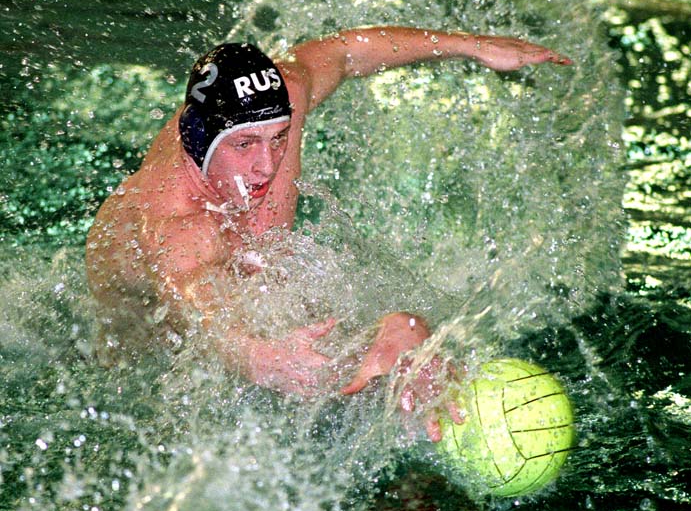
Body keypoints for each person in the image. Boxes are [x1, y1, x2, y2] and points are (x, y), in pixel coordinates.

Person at [86, 27, 571, 441]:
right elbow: (196, 307)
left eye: (279, 138)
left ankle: (392, 357)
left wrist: (471, 46)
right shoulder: (176, 223)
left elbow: (343, 52)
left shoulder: (281, 100)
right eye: (245, 145)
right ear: (200, 142)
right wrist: (258, 358)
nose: (266, 165)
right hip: (145, 341)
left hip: (230, 292)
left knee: (360, 340)